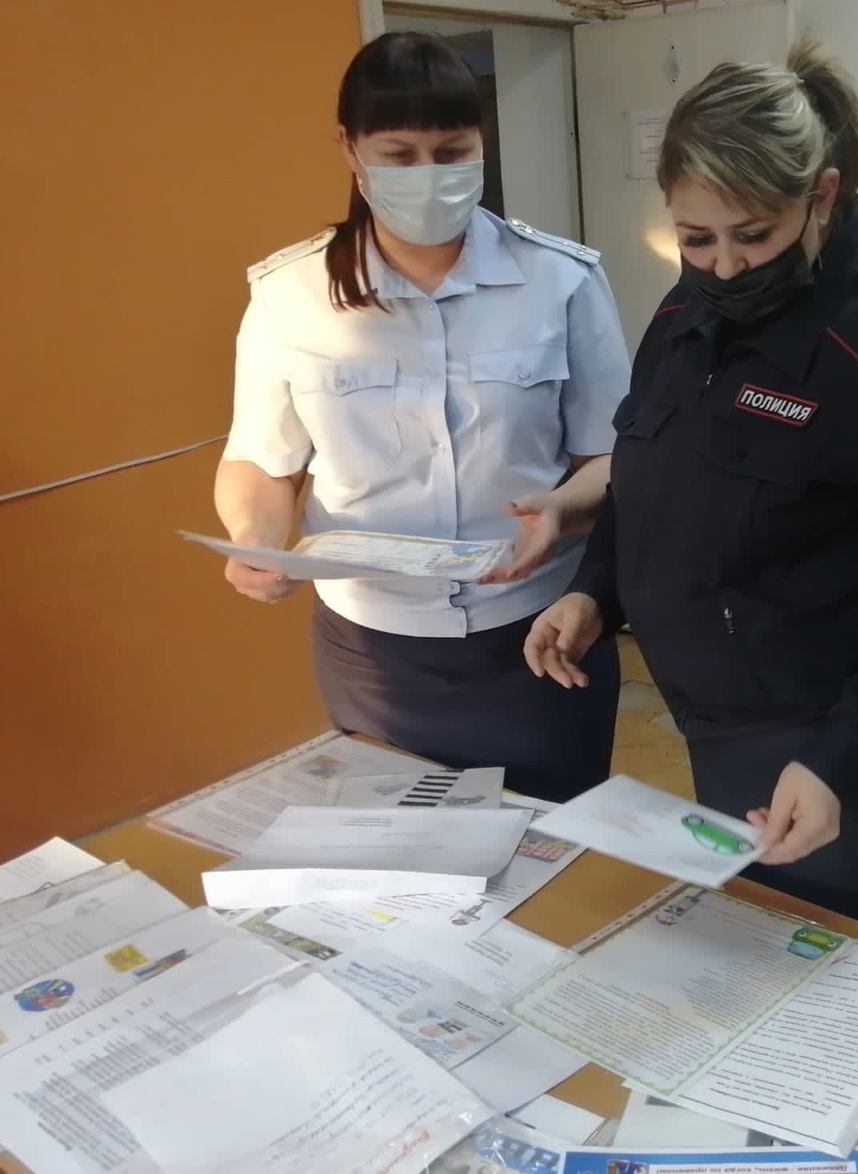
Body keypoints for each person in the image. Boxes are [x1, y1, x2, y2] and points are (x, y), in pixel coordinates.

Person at [525, 40, 858, 938]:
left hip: (853, 747)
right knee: (759, 966)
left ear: (821, 195)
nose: (723, 266)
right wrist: (594, 590)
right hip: (720, 726)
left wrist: (840, 757)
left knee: (857, 979)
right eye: (695, 238)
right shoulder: (688, 309)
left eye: (753, 235)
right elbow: (650, 471)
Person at [216, 32, 630, 803]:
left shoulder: (560, 280)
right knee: (396, 849)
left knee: (551, 844)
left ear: (480, 144)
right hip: (372, 647)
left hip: (538, 632)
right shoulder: (289, 295)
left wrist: (563, 508)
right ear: (350, 149)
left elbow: (615, 453)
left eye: (451, 151)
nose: (429, 175)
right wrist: (255, 538)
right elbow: (260, 460)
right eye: (399, 155)